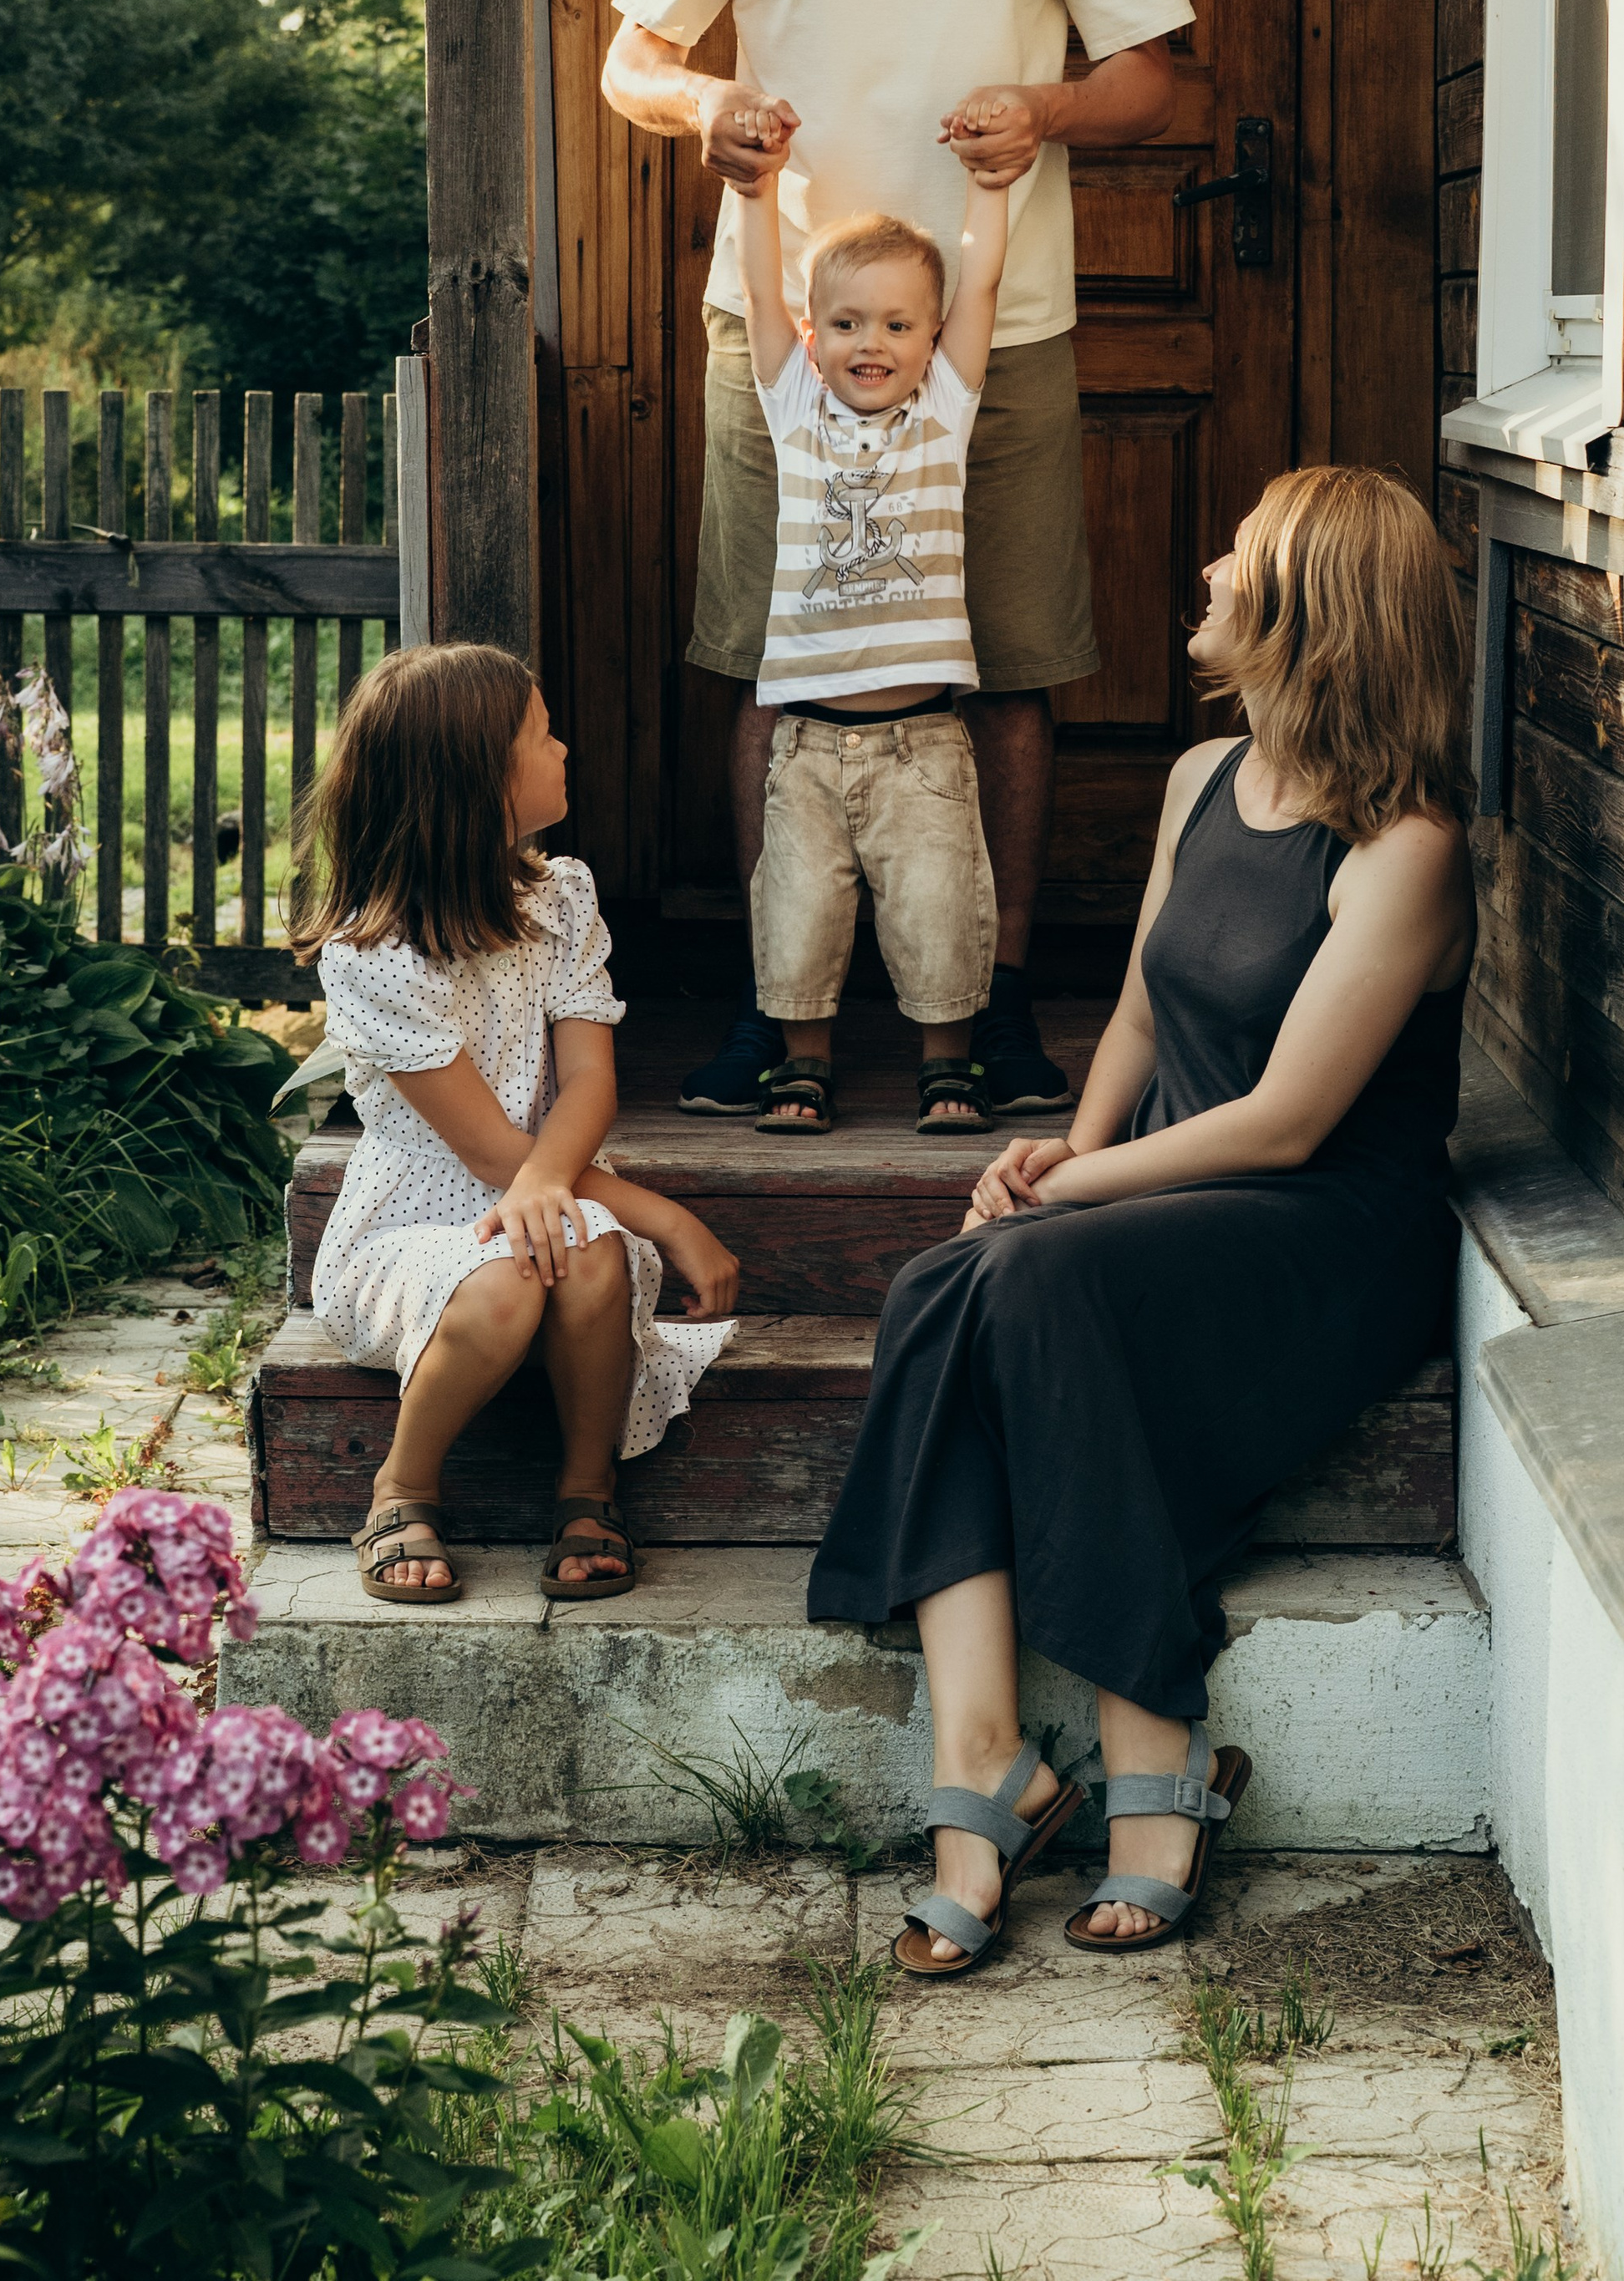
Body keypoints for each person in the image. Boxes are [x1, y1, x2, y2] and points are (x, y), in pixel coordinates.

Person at [806, 470, 1474, 1977]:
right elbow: (1133, 1019)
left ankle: (1142, 1738)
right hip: (1167, 1199)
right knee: (946, 1282)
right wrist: (1073, 1147)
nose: (1212, 562)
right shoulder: (1197, 780)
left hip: (1322, 1231)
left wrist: (1059, 1190)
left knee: (1023, 1276)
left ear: (1308, 606)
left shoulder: (1408, 843)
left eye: (1241, 550)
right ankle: (988, 1768)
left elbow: (1291, 1120)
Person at [601, 0, 1192, 1118]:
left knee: (1004, 665)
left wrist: (1049, 114)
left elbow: (1151, 74)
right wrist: (696, 105)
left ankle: (988, 1010)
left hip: (995, 331)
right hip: (781, 335)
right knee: (757, 660)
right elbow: (628, 57)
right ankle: (765, 1013)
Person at [288, 643, 741, 1608]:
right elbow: (488, 1151)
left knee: (591, 1257)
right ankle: (401, 1485)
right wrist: (665, 1213)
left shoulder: (561, 896)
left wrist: (550, 1188)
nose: (566, 748)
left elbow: (587, 1082)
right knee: (503, 1285)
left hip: (554, 1178)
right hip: (414, 1225)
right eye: (542, 736)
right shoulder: (375, 957)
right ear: (477, 781)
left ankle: (588, 1491)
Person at [732, 145, 1011, 1133]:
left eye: (897, 324)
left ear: (933, 339)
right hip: (804, 742)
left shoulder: (942, 414)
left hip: (923, 745)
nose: (871, 343)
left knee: (937, 909)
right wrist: (754, 194)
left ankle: (947, 1069)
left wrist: (989, 188)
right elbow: (760, 292)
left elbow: (980, 281)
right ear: (814, 338)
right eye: (846, 323)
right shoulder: (796, 412)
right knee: (801, 913)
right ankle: (804, 1067)